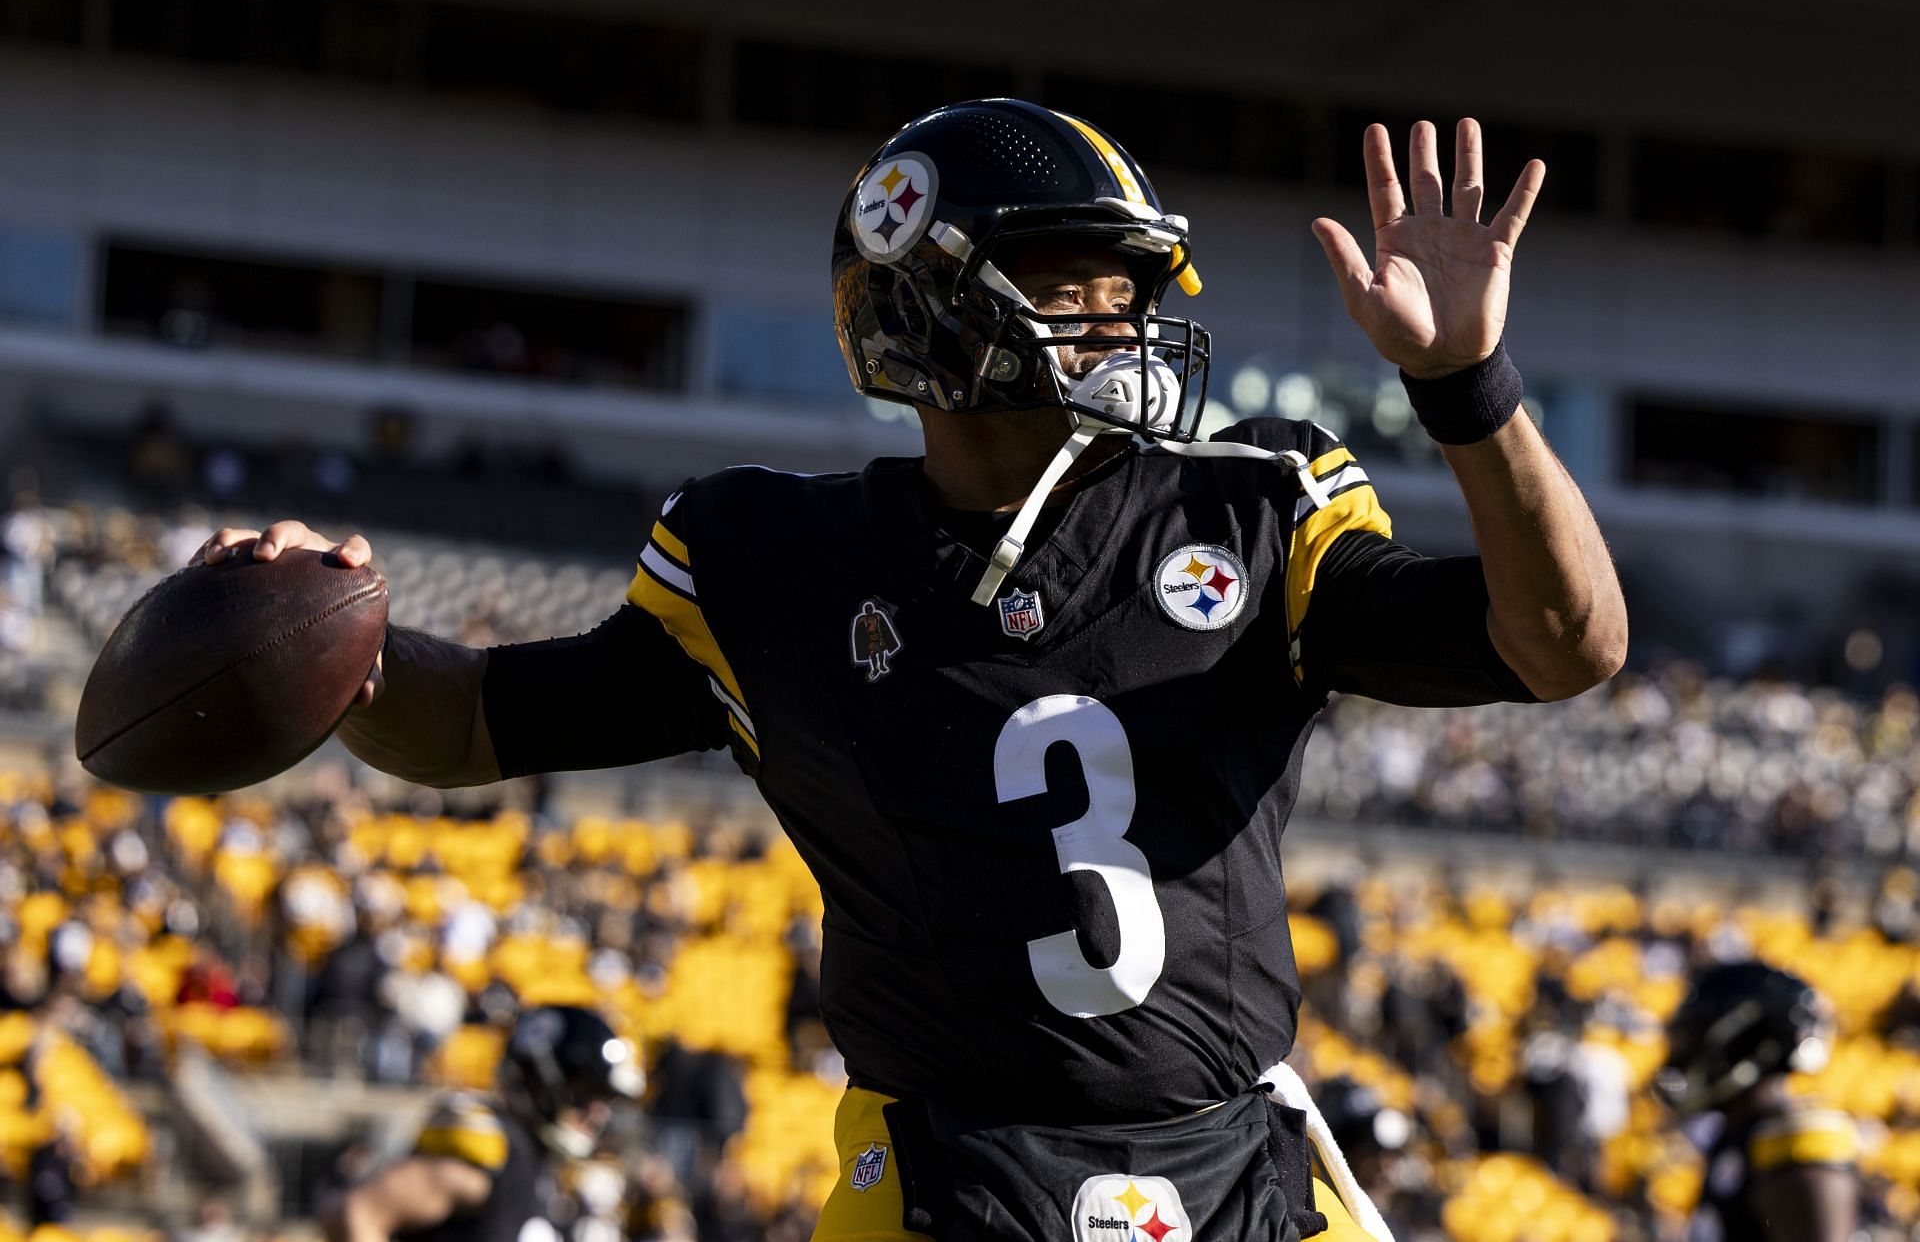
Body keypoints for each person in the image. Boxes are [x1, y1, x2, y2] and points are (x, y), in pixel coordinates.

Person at [207, 99, 1625, 1241]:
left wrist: (1470, 392)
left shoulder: (1249, 507)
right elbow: (478, 721)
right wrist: (338, 638)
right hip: (948, 1172)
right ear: (931, 304)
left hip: (1235, 1164)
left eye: (1131, 289)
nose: (1124, 320)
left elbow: (1566, 643)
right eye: (1080, 282)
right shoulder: (772, 560)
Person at [321, 1004, 642, 1242]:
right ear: (537, 1074)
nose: (598, 1112)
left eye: (606, 1099)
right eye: (586, 1091)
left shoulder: (538, 1166)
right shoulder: (492, 1146)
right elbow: (361, 1210)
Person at [1656, 961, 1858, 1242]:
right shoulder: (1734, 1135)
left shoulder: (1791, 1138)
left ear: (1746, 1038)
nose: (1684, 1057)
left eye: (1696, 1036)